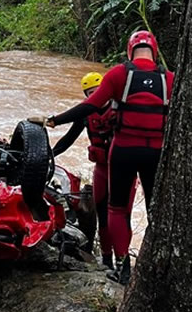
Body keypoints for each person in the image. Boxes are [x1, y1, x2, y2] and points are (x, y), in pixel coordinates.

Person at [46, 30, 174, 285]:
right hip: (156, 154)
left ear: (129, 51)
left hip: (123, 151)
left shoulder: (118, 75)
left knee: (116, 209)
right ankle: (157, 265)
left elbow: (90, 105)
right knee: (155, 210)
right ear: (155, 50)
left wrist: (54, 120)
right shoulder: (169, 79)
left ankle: (123, 264)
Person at [50, 72, 136, 271]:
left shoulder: (120, 108)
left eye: (98, 91)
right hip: (101, 169)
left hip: (123, 170)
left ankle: (122, 262)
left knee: (123, 217)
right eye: (90, 93)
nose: (96, 96)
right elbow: (69, 138)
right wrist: (50, 154)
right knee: (103, 215)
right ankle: (106, 260)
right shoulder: (86, 114)